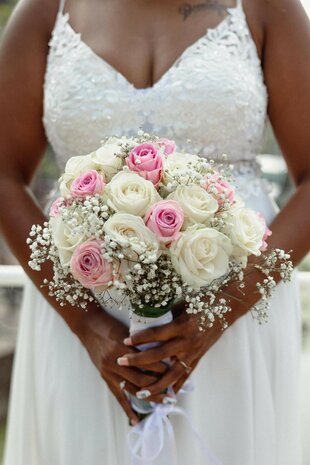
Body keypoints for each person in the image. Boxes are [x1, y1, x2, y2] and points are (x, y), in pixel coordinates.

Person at [1, 0, 309, 464]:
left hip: (235, 320)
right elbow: (3, 173)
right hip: (78, 324)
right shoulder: (44, 11)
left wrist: (216, 316)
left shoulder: (268, 9)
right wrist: (88, 325)